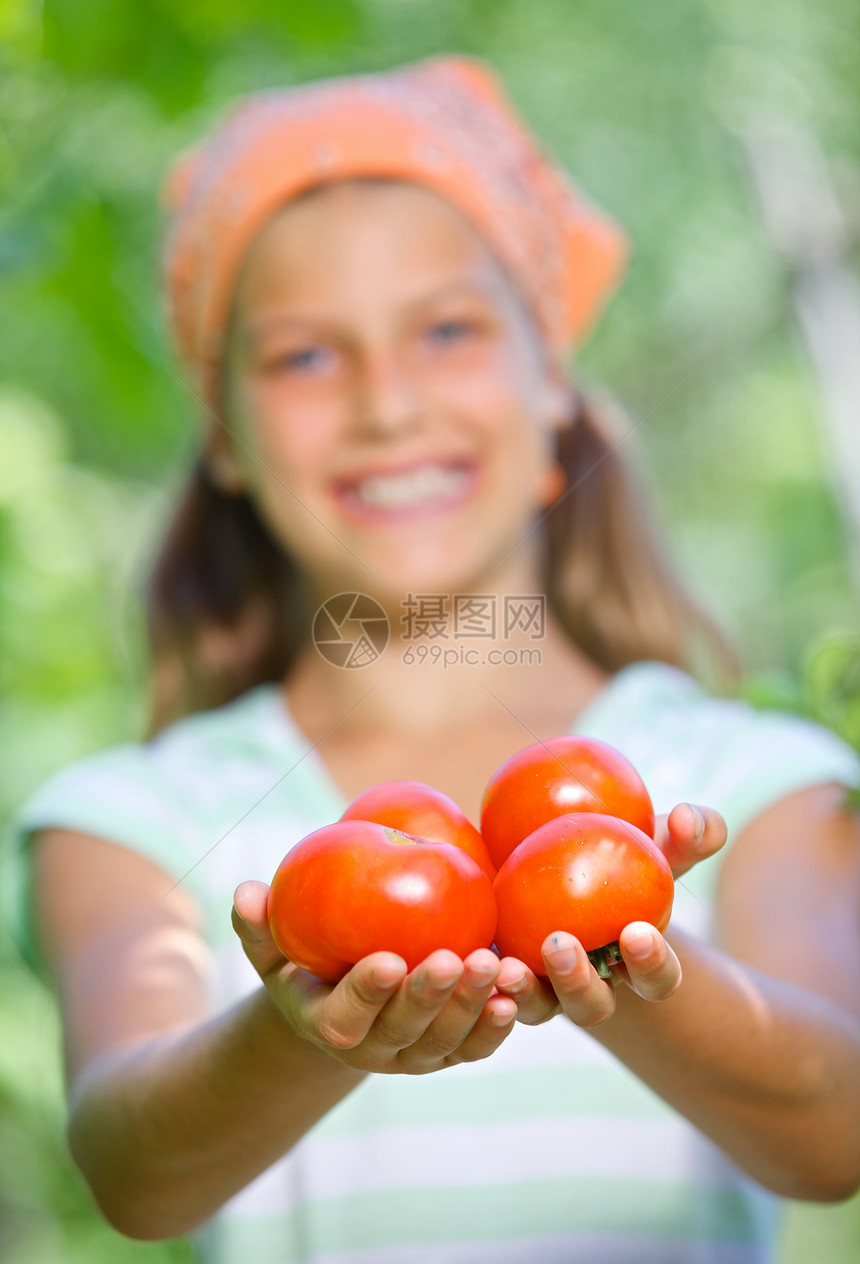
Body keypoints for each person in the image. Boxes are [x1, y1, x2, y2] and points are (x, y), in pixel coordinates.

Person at [5, 54, 860, 1264]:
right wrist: (296, 1036)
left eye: (448, 329)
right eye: (305, 356)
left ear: (551, 381)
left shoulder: (757, 778)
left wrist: (633, 968)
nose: (386, 402)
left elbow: (835, 1132)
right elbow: (135, 1169)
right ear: (227, 441)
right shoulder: (136, 818)